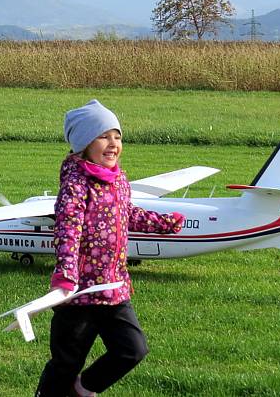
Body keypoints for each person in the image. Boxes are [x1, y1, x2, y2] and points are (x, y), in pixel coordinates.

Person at [35, 100, 185, 397]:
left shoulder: (119, 180)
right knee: (65, 364)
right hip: (79, 294)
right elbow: (67, 228)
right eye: (103, 136)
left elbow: (126, 213)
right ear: (83, 144)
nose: (113, 143)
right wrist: (66, 272)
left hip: (113, 288)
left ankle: (83, 389)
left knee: (133, 349)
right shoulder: (76, 184)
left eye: (117, 136)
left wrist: (163, 223)